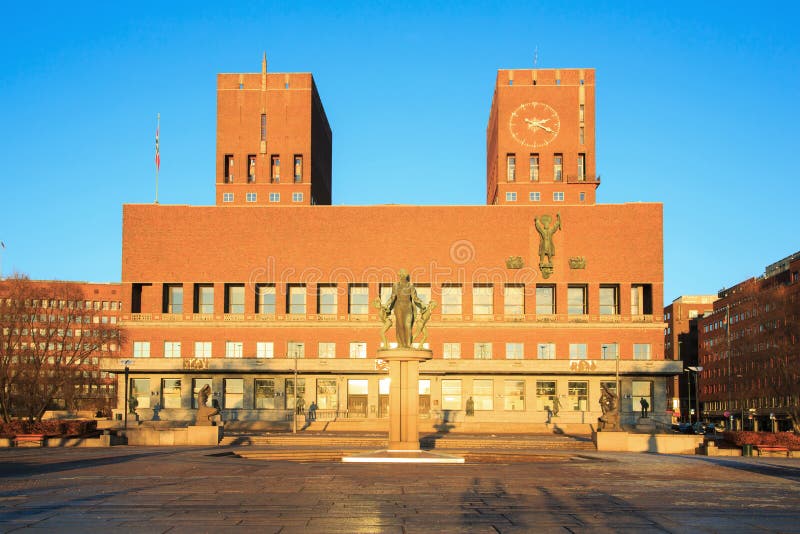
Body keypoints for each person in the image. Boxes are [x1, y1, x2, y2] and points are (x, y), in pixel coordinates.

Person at [385, 269, 425, 348]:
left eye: (404, 275)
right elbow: (392, 297)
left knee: (408, 325)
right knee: (400, 325)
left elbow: (415, 297)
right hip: (399, 307)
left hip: (408, 307)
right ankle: (402, 345)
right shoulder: (396, 285)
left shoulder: (410, 285)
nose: (402, 277)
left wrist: (422, 304)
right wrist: (386, 305)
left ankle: (408, 345)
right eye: (401, 275)